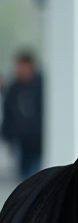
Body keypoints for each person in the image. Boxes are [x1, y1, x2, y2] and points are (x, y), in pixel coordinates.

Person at [1, 51, 43, 181]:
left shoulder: (42, 87)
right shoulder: (14, 89)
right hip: (21, 143)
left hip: (39, 141)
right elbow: (8, 113)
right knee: (24, 178)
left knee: (36, 177)